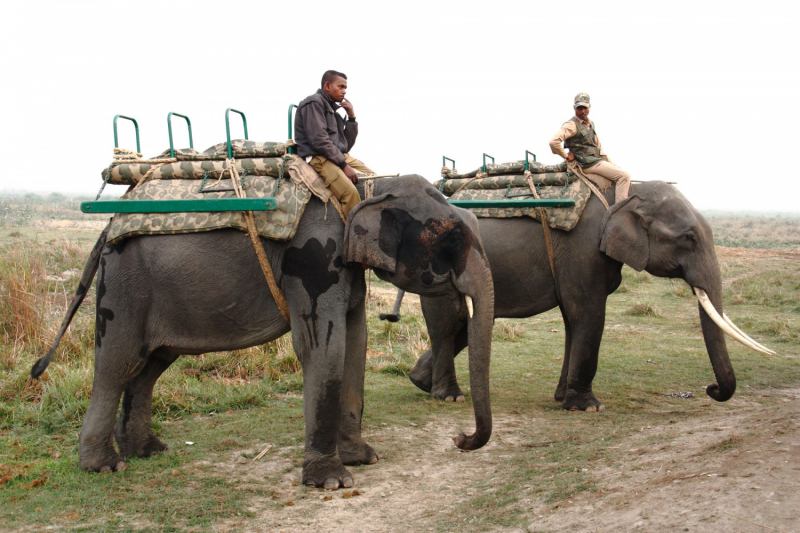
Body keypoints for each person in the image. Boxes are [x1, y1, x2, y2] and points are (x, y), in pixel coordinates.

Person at [295, 70, 375, 218]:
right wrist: (344, 166)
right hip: (319, 158)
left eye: (345, 88)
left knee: (374, 179)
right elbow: (319, 141)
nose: (344, 91)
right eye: (341, 87)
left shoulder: (334, 110)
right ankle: (353, 239)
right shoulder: (313, 103)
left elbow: (345, 146)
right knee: (350, 194)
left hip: (337, 155)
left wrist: (351, 118)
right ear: (327, 86)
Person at [549, 93, 630, 204]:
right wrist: (566, 156)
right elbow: (553, 142)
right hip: (588, 164)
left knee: (618, 172)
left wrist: (612, 165)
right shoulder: (571, 125)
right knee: (624, 176)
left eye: (585, 108)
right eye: (579, 108)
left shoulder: (590, 124)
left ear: (589, 107)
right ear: (574, 108)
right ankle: (620, 210)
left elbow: (599, 148)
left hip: (596, 160)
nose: (583, 111)